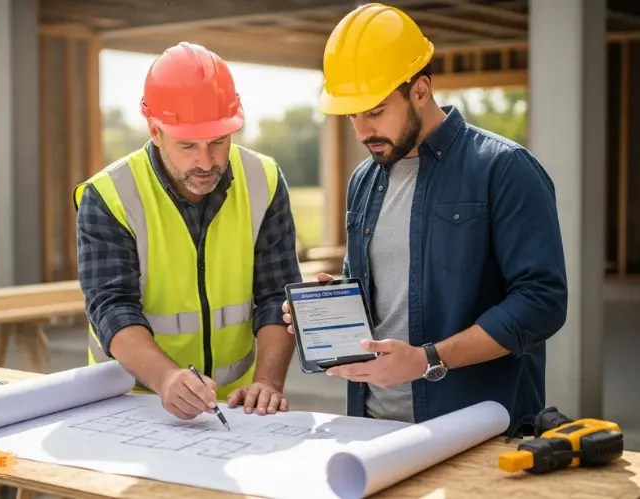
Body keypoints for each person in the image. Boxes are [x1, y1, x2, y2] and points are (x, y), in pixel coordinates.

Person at [282, 3, 567, 435]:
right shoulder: (364, 179)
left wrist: (428, 359)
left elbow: (542, 302)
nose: (362, 131)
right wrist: (330, 305)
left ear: (420, 90)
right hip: (372, 428)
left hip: (475, 431)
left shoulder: (504, 169)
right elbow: (381, 290)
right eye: (351, 115)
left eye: (375, 112)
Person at [75, 42, 301, 422]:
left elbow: (278, 294)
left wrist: (267, 383)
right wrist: (165, 378)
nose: (206, 161)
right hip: (133, 401)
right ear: (155, 131)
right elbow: (111, 307)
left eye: (218, 141)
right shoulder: (109, 195)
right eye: (187, 145)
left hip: (240, 410)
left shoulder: (263, 180)